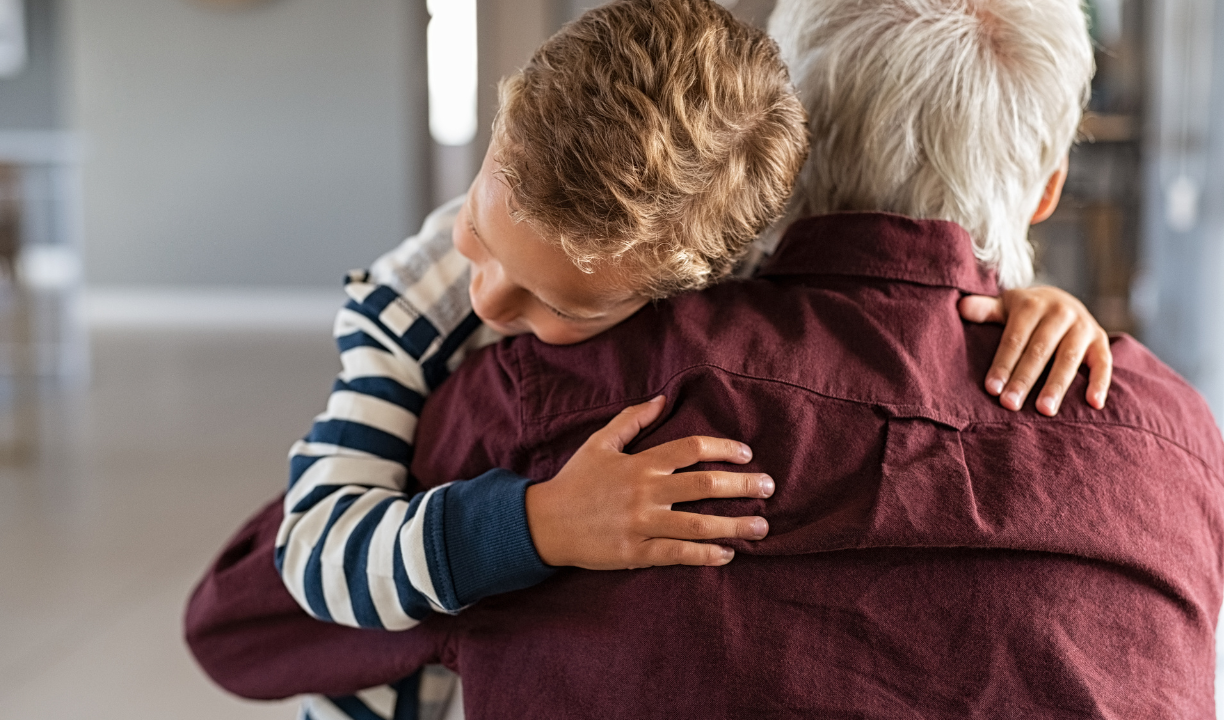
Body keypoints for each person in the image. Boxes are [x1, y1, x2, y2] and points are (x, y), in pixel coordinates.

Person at [185, 0, 1149, 716]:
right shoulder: (404, 315)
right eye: (479, 229)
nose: (485, 299)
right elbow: (311, 562)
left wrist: (1035, 298)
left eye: (558, 305)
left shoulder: (708, 293)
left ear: (698, 288)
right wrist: (538, 526)